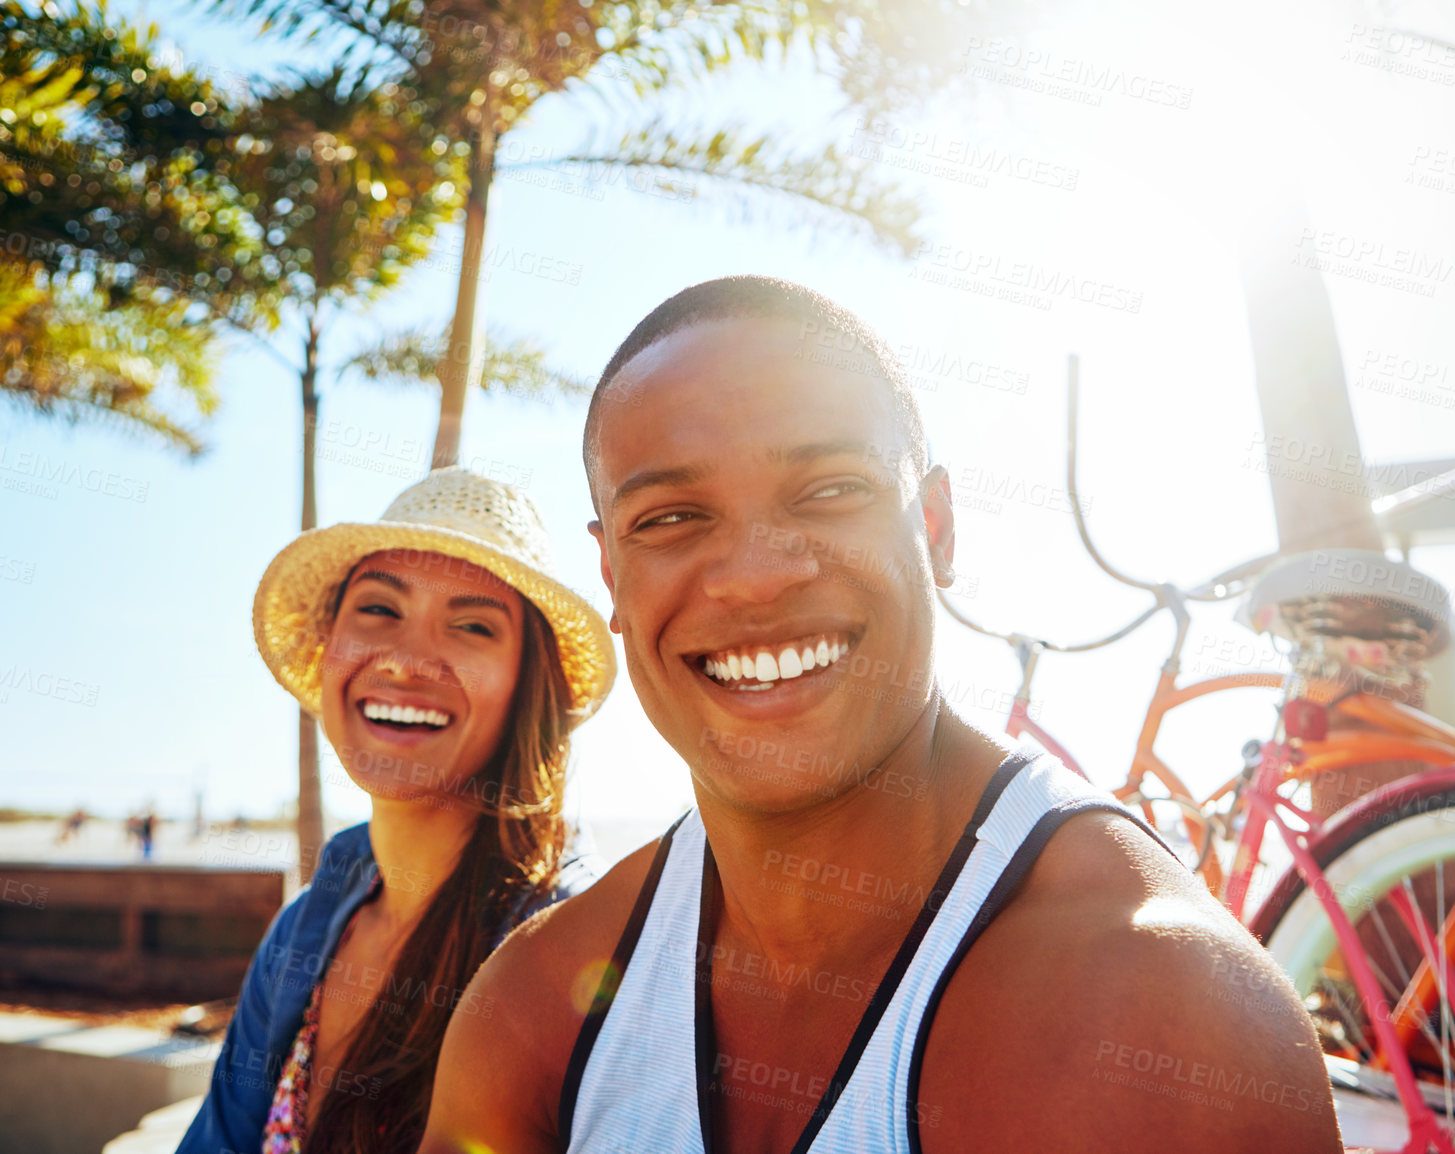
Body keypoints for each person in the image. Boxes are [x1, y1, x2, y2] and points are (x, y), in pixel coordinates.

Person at [420, 278, 1341, 1154]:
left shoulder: (1153, 1014)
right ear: (612, 577)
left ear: (936, 529)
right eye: (670, 517)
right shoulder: (536, 1009)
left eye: (829, 491)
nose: (754, 574)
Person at [177, 468, 615, 1154]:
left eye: (471, 626)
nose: (407, 662)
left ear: (529, 682)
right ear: (328, 646)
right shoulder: (306, 929)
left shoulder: (569, 948)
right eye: (379, 610)